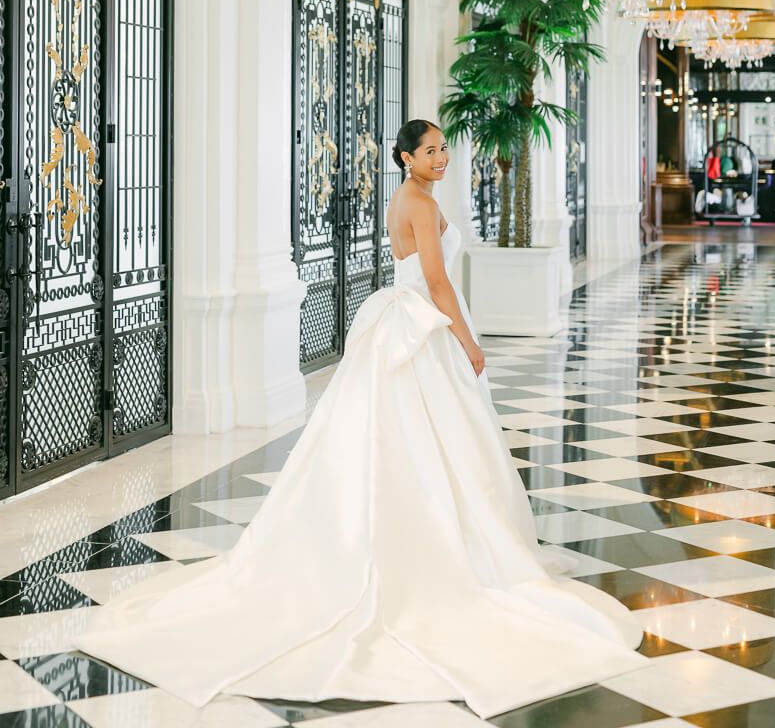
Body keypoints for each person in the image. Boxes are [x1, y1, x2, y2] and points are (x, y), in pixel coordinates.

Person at [74, 119, 648, 719]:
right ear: (406, 158)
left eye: (444, 148)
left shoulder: (410, 197)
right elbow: (434, 279)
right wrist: (466, 339)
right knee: (424, 439)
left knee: (406, 438)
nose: (442, 157)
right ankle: (426, 551)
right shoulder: (419, 201)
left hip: (405, 320)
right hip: (423, 321)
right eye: (431, 151)